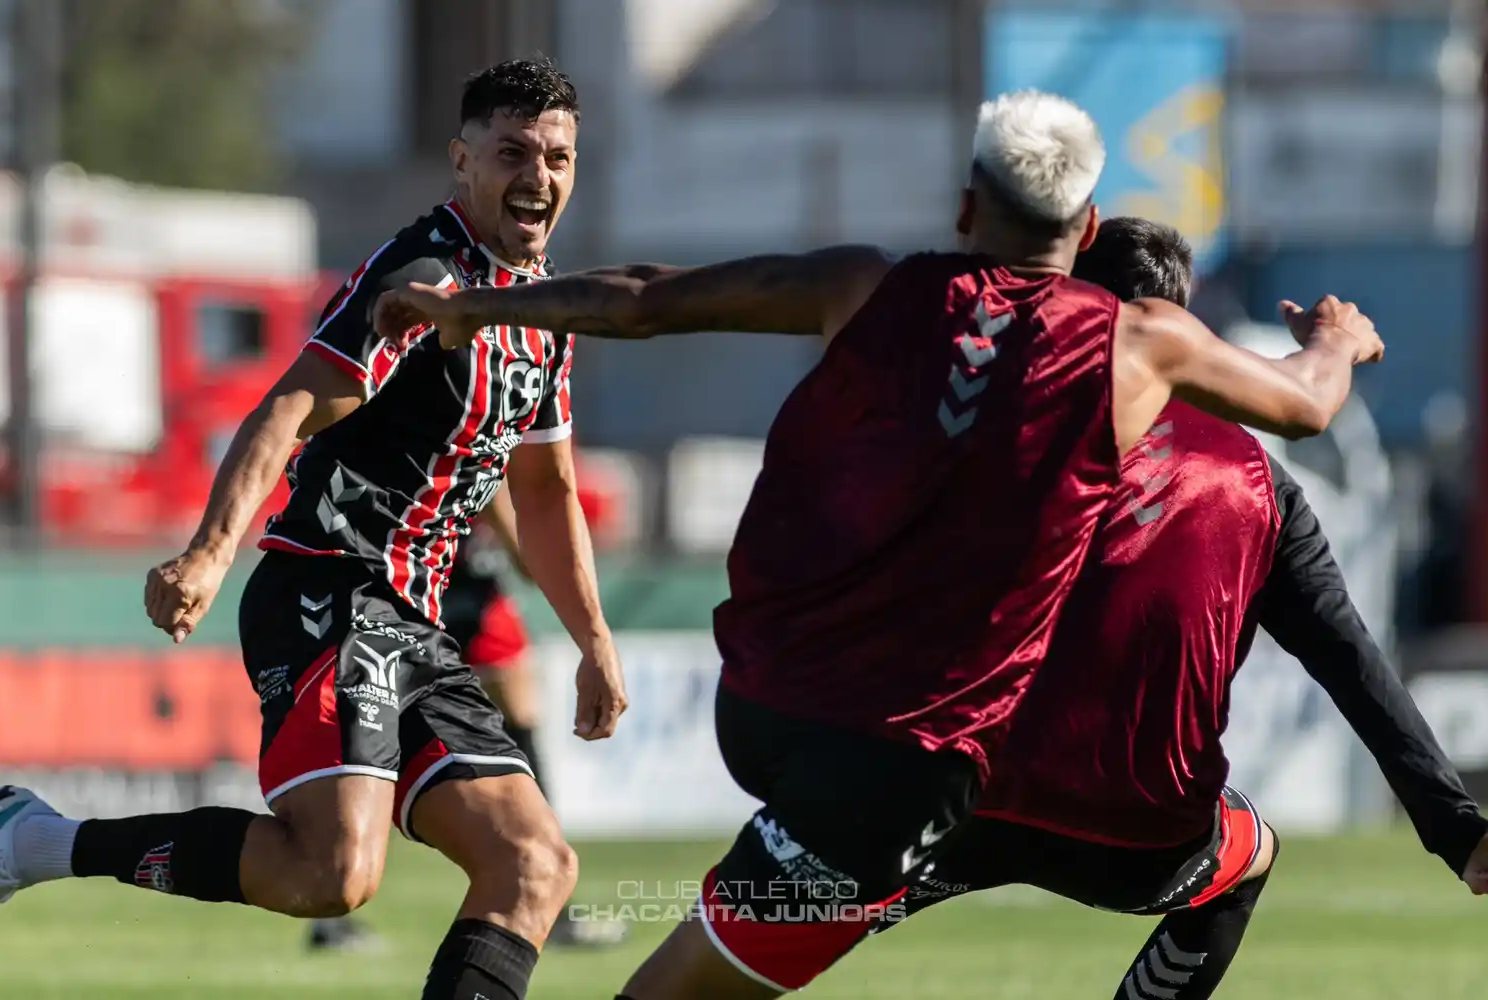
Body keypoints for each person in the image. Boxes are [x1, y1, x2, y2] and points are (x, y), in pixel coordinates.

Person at [375, 90, 1384, 999]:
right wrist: (1337, 337)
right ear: (1083, 230)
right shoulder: (1138, 341)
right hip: (897, 770)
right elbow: (1301, 405)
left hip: (765, 711)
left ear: (962, 210)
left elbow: (642, 297)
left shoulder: (865, 286)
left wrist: (476, 307)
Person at [0, 57, 628, 1000]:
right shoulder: (421, 278)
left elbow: (547, 487)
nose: (539, 175)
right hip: (331, 591)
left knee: (534, 867)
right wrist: (210, 552)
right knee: (334, 877)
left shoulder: (542, 311)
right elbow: (290, 405)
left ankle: (28, 836)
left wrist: (594, 639)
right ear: (462, 162)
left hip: (420, 623)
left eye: (559, 157)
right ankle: (33, 840)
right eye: (513, 152)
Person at [861, 217, 1488, 1000]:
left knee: (771, 907)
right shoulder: (1259, 485)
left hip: (957, 808)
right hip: (1144, 835)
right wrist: (1458, 829)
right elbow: (1350, 661)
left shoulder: (993, 426)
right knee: (1245, 855)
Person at [311, 488, 629, 951]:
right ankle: (336, 905)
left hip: (454, 579)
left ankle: (547, 893)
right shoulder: (480, 432)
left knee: (503, 709)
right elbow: (525, 549)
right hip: (417, 582)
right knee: (389, 736)